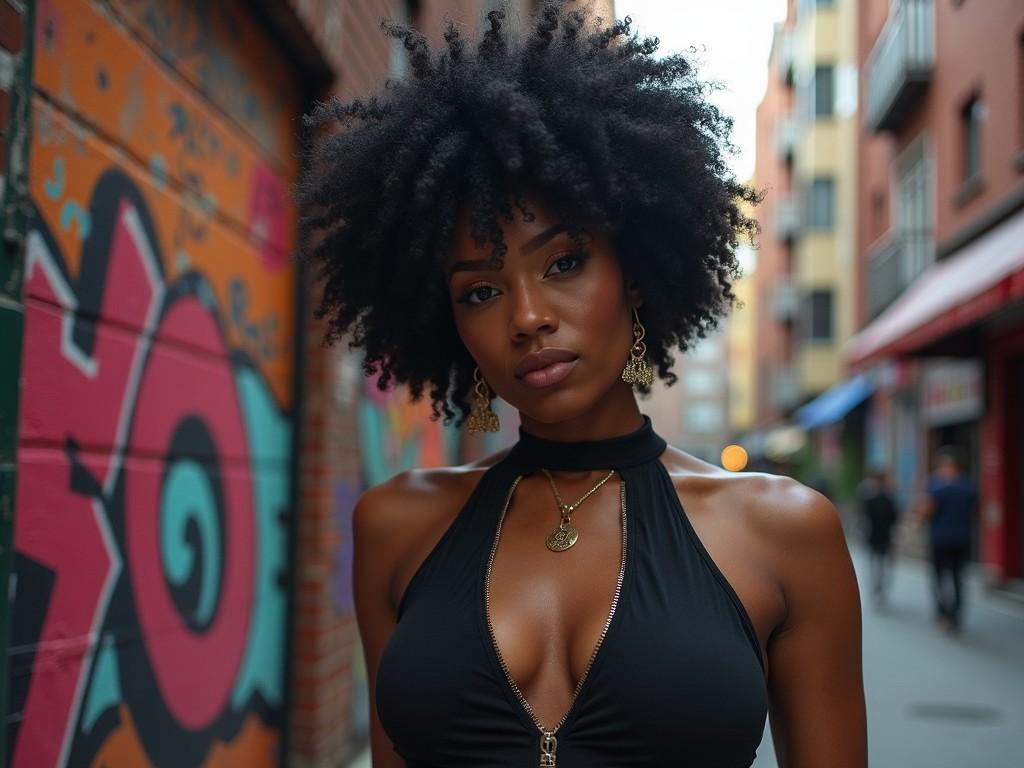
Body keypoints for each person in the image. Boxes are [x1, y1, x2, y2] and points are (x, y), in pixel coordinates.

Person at [298, 3, 866, 766]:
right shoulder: (397, 526)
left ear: (633, 272)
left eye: (564, 262)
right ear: (449, 324)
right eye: (480, 291)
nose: (528, 317)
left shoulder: (785, 532)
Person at [916, 446, 978, 634]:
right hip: (962, 537)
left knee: (938, 578)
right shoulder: (968, 485)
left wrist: (919, 520)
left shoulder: (935, 485)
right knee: (958, 578)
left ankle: (942, 614)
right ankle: (955, 615)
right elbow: (975, 511)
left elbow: (927, 510)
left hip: (940, 538)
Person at [857, 467, 899, 608]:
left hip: (873, 536)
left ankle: (876, 588)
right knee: (883, 565)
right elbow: (895, 519)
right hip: (885, 536)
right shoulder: (889, 499)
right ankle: (880, 589)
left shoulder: (869, 499)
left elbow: (864, 518)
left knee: (873, 564)